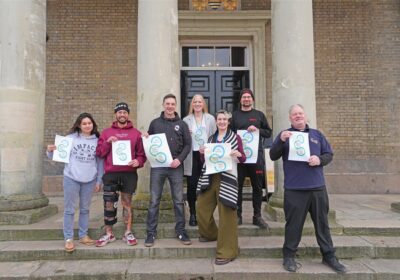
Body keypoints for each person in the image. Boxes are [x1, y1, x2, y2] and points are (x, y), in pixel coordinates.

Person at [269, 104, 347, 274]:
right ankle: (289, 256)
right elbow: (273, 155)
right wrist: (281, 140)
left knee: (322, 224)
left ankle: (329, 256)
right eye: (294, 114)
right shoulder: (285, 135)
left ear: (305, 116)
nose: (298, 116)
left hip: (317, 188)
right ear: (290, 118)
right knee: (293, 225)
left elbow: (329, 154)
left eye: (300, 113)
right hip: (295, 189)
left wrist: (319, 160)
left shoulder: (316, 135)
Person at [46, 112, 103, 252]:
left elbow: (100, 162)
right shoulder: (70, 139)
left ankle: (83, 235)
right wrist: (49, 151)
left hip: (90, 179)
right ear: (79, 125)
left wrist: (99, 180)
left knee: (85, 209)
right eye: (84, 123)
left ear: (93, 124)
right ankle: (69, 239)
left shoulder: (98, 140)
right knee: (69, 209)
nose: (87, 125)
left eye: (89, 123)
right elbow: (58, 155)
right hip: (71, 178)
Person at [196, 110, 246, 265]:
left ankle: (228, 251)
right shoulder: (211, 138)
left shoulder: (235, 137)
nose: (222, 122)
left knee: (226, 215)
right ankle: (211, 233)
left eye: (225, 119)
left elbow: (243, 158)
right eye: (219, 119)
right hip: (211, 177)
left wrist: (238, 154)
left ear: (228, 121)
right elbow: (205, 159)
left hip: (227, 178)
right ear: (216, 121)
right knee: (201, 208)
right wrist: (202, 152)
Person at [143, 93, 192, 247]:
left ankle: (181, 231)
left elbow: (187, 145)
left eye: (172, 104)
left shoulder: (182, 124)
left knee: (178, 200)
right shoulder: (155, 123)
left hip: (175, 166)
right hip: (158, 167)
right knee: (154, 200)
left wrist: (179, 159)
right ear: (163, 105)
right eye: (167, 104)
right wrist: (145, 137)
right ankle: (151, 233)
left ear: (175, 106)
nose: (170, 106)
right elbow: (150, 141)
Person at [95, 102, 146, 247]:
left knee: (127, 203)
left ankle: (128, 232)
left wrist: (138, 161)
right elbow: (99, 153)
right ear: (115, 114)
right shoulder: (106, 133)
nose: (122, 114)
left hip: (129, 174)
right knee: (109, 204)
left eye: (124, 112)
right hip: (111, 173)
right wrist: (108, 143)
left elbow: (142, 155)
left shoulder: (136, 133)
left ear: (128, 114)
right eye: (119, 112)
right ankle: (109, 233)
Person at [231, 88, 272, 228]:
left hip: (256, 157)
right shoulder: (235, 116)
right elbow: (230, 134)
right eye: (244, 97)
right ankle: (238, 215)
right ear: (240, 100)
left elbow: (268, 132)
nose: (246, 99)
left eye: (249, 97)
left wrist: (258, 130)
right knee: (238, 186)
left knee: (257, 187)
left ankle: (257, 216)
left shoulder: (259, 115)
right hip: (240, 158)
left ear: (252, 99)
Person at [183, 94, 216, 226]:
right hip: (192, 156)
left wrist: (208, 149)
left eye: (199, 102)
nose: (197, 104)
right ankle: (192, 214)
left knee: (207, 185)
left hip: (206, 155)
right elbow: (183, 140)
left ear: (203, 104)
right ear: (192, 104)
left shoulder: (210, 119)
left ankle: (206, 215)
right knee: (192, 185)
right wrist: (187, 134)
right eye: (195, 102)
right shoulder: (186, 120)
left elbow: (214, 137)